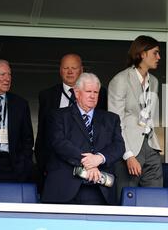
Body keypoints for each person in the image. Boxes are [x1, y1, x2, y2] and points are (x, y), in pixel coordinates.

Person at [41, 73, 125, 205]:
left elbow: (119, 146)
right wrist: (88, 162)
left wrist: (99, 158)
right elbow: (60, 143)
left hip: (100, 189)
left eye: (96, 92)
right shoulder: (58, 116)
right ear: (77, 92)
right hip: (65, 188)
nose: (92, 96)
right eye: (88, 91)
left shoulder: (111, 119)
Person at [108, 36, 163, 203]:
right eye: (155, 53)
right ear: (142, 54)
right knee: (127, 197)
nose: (159, 57)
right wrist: (128, 155)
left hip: (150, 144)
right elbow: (115, 122)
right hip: (129, 147)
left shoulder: (153, 81)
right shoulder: (120, 80)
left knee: (154, 198)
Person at [35, 53, 108, 180]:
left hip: (90, 165)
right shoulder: (47, 95)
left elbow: (103, 130)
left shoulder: (99, 93)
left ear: (82, 70)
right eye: (65, 68)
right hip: (56, 164)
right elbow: (42, 133)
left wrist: (95, 161)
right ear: (60, 70)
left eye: (74, 68)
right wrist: (42, 164)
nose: (69, 72)